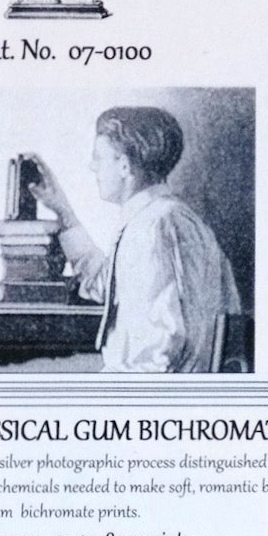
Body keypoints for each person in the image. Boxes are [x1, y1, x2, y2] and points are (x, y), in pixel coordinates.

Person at [27, 107, 240, 373]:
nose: (92, 167)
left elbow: (159, 352)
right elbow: (104, 284)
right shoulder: (157, 217)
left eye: (98, 158)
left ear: (124, 165)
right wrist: (64, 212)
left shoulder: (154, 227)